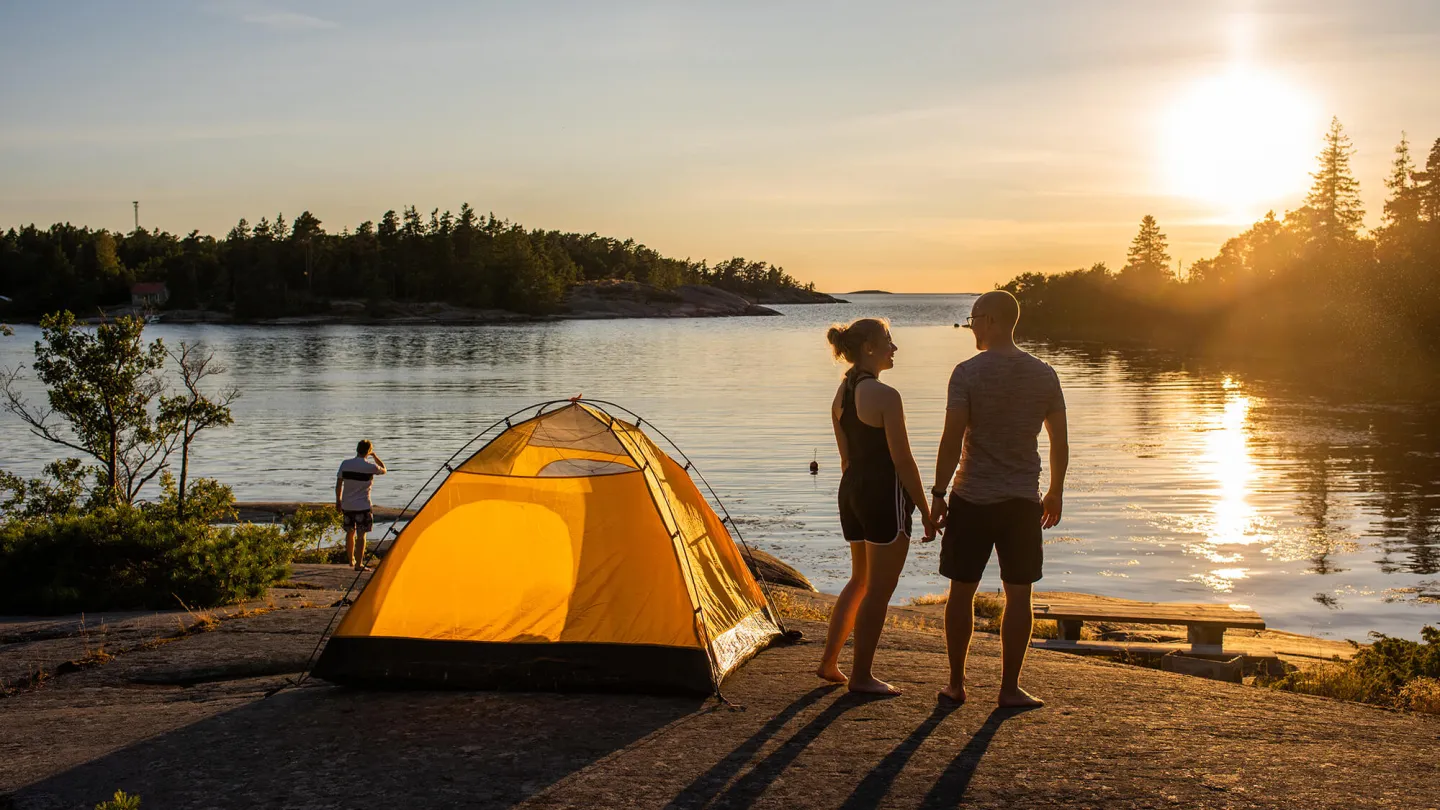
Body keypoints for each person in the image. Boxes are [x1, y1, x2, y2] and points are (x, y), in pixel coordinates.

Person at [929, 290, 1068, 709]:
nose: (971, 324)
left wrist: (938, 494)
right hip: (1022, 501)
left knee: (961, 592)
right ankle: (1009, 689)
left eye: (973, 317)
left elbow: (952, 438)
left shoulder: (967, 373)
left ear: (989, 320)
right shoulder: (1044, 374)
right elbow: (1059, 441)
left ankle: (956, 684)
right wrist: (1056, 489)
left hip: (971, 497)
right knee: (1018, 594)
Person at [816, 318, 936, 696]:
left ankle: (829, 663)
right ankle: (862, 677)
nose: (894, 348)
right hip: (884, 496)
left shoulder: (841, 395)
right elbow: (903, 460)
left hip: (851, 492)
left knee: (859, 580)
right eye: (888, 340)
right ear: (868, 347)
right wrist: (927, 511)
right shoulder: (886, 397)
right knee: (879, 590)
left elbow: (845, 459)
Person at [336, 440, 388, 572]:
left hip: (347, 505)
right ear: (368, 451)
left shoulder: (345, 464)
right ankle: (359, 564)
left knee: (349, 532)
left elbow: (339, 484)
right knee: (361, 535)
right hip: (363, 506)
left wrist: (338, 501)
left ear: (357, 449)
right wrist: (375, 457)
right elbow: (384, 470)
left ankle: (351, 560)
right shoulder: (371, 467)